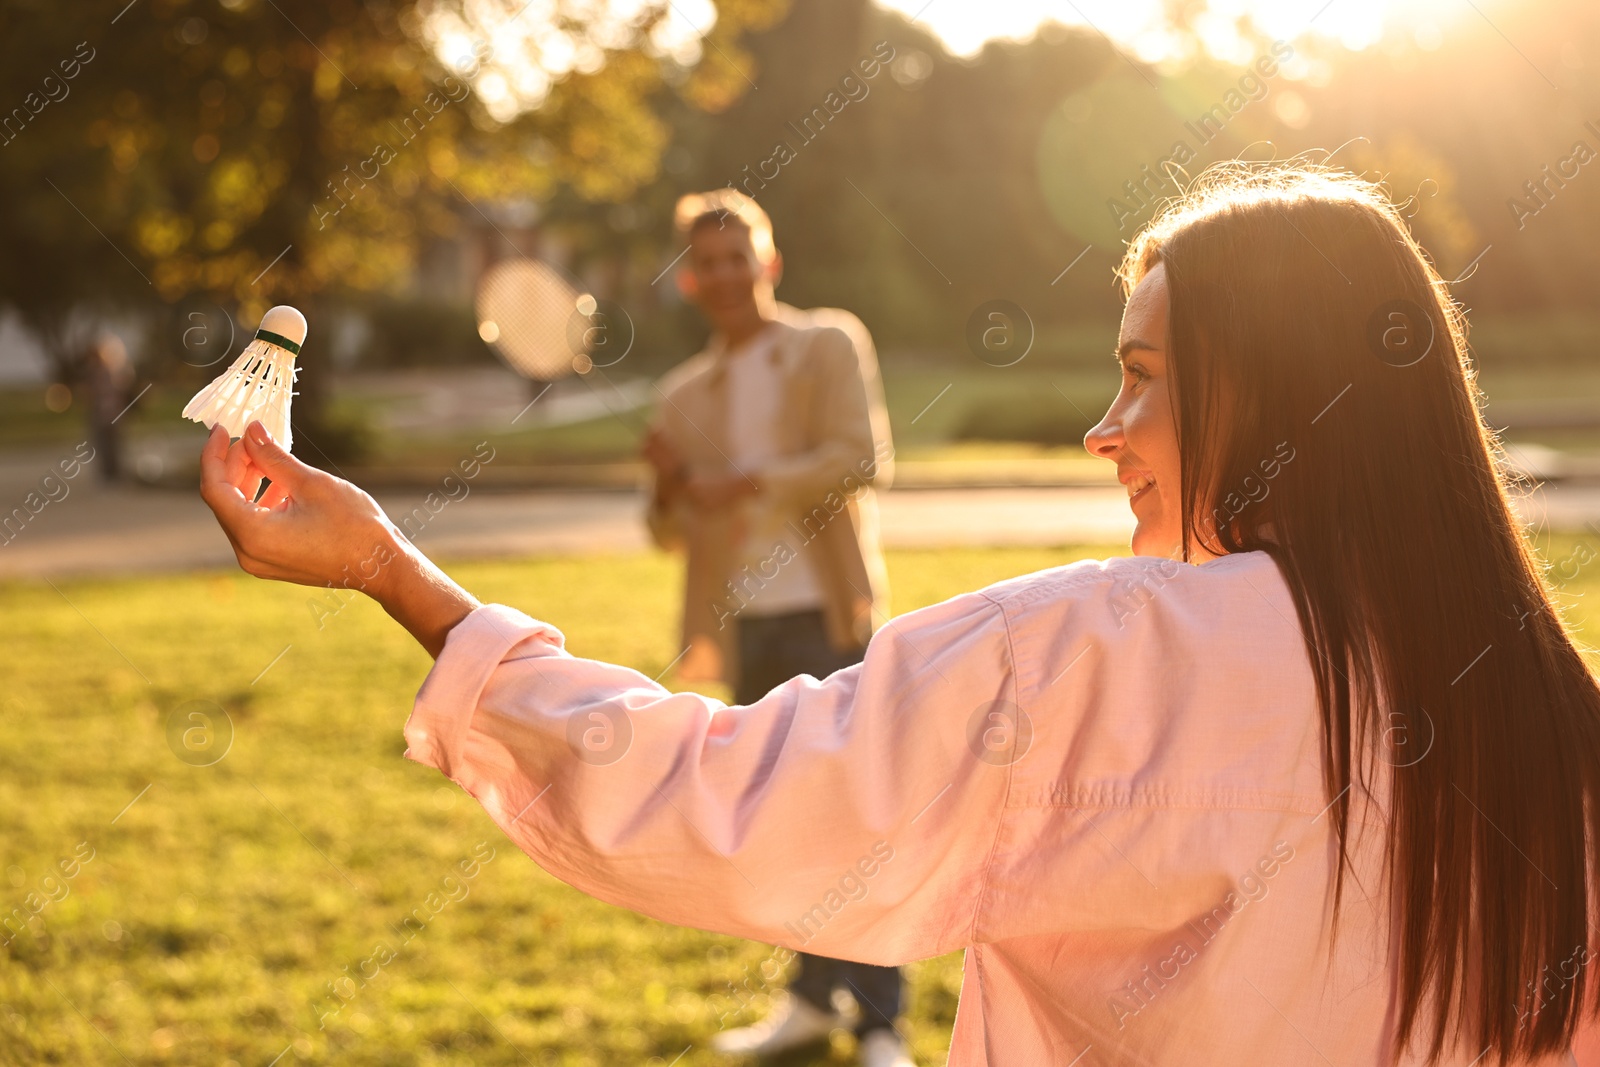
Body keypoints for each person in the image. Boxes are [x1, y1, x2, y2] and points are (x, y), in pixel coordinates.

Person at [199, 160, 1600, 1066]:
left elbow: (725, 796)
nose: (1105, 430)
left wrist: (397, 571)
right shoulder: (1551, 712)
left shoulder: (1096, 654)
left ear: (1284, 393)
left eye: (1146, 375)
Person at [638, 190, 909, 1065]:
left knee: (857, 816)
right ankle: (810, 998)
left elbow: (860, 458)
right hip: (746, 627)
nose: (722, 274)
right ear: (688, 280)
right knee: (786, 822)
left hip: (826, 615)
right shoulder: (683, 392)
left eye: (736, 256)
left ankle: (880, 1023)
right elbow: (669, 533)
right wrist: (668, 484)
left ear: (769, 262)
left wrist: (746, 480)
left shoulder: (828, 341)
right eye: (705, 263)